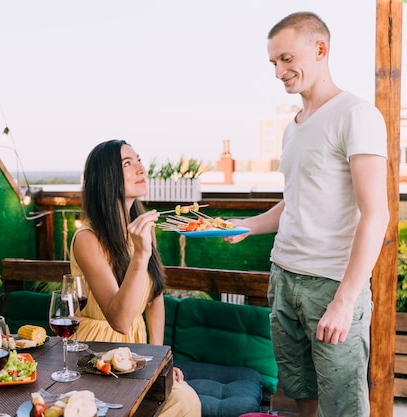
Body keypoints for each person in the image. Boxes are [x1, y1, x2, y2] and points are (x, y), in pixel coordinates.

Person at [225, 12, 389, 417]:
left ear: (320, 49)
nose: (279, 72)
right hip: (283, 277)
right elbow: (295, 202)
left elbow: (376, 213)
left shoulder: (357, 114)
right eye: (273, 63)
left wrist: (345, 300)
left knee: (343, 406)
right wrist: (248, 226)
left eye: (285, 58)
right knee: (301, 394)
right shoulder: (293, 126)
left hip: (331, 285)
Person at [70, 139, 202, 416]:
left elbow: (154, 298)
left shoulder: (143, 230)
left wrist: (160, 360)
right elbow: (119, 319)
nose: (140, 168)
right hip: (97, 350)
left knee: (186, 400)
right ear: (105, 178)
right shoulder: (87, 239)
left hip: (138, 350)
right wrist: (140, 255)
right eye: (127, 164)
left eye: (138, 160)